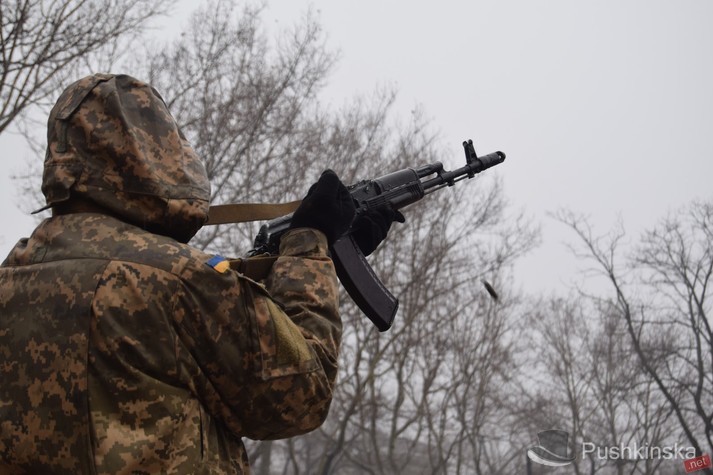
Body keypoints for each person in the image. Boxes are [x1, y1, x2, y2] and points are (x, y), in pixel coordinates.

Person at [0, 73, 399, 474]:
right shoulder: (179, 281)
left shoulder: (12, 276)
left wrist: (303, 258)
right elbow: (301, 394)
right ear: (153, 152)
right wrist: (309, 247)